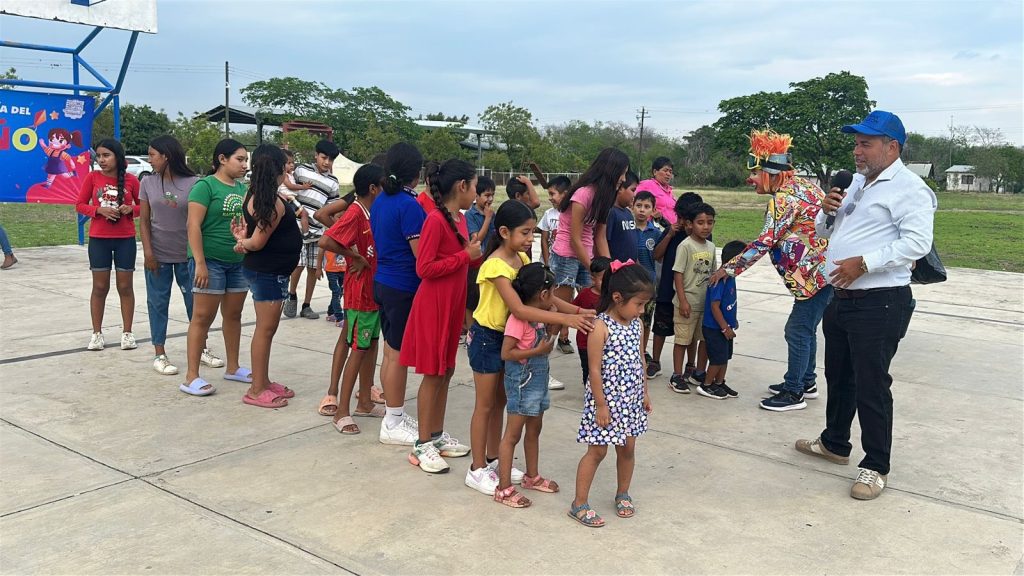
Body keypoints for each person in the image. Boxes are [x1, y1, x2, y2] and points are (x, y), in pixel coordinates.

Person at [796, 110, 934, 500]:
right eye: (856, 143)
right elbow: (826, 230)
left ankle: (876, 465)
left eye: (866, 144)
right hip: (841, 298)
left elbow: (917, 243)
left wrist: (865, 263)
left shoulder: (909, 188)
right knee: (838, 376)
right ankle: (835, 443)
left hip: (880, 302)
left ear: (892, 147)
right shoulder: (855, 182)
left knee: (871, 385)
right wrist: (826, 211)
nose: (857, 151)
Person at [466, 201, 595, 496]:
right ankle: (476, 468)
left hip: (509, 337)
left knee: (501, 402)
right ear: (504, 232)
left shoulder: (522, 259)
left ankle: (494, 459)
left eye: (531, 233)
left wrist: (578, 311)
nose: (530, 239)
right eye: (525, 233)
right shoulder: (495, 265)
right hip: (488, 339)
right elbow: (520, 310)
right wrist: (566, 320)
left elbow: (544, 298)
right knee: (485, 405)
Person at [708, 129, 833, 412]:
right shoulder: (805, 186)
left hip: (813, 277)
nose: (750, 179)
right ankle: (805, 381)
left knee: (797, 330)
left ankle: (794, 392)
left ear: (770, 173)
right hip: (822, 273)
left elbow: (765, 241)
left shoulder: (783, 199)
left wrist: (728, 269)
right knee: (806, 329)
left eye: (754, 173)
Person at [402, 159, 479, 473]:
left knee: (446, 370)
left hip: (452, 304)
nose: (476, 194)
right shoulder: (435, 219)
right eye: (474, 187)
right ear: (462, 186)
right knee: (433, 374)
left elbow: (461, 259)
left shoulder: (459, 219)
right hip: (434, 304)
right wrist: (464, 256)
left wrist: (471, 255)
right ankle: (422, 444)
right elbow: (425, 268)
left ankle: (435, 435)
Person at [569, 261, 654, 527]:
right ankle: (579, 503)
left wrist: (645, 392)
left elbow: (640, 359)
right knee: (597, 451)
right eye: (638, 304)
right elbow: (594, 370)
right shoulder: (599, 326)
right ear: (617, 298)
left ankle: (623, 493)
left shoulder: (637, 325)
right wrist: (601, 405)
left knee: (628, 448)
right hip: (606, 401)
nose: (641, 310)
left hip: (631, 399)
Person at [140, 135, 224, 375]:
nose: (149, 159)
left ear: (166, 156)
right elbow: (144, 221)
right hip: (158, 255)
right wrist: (148, 252)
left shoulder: (195, 183)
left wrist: (200, 258)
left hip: (188, 255)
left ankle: (202, 348)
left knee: (196, 306)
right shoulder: (147, 182)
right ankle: (160, 354)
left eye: (152, 155)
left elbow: (201, 221)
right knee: (157, 303)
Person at [231, 144, 300, 408]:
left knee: (267, 329)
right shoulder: (269, 202)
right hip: (267, 273)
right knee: (265, 330)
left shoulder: (259, 195)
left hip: (268, 271)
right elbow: (258, 241)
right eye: (286, 165)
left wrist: (243, 240)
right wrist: (243, 243)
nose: (288, 170)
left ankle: (264, 380)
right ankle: (256, 389)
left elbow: (254, 235)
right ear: (277, 169)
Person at [181, 138, 251, 396]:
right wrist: (199, 262)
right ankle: (191, 376)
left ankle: (233, 367)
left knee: (233, 316)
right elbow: (192, 225)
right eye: (239, 159)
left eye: (246, 160)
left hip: (237, 262)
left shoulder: (243, 189)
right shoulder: (205, 186)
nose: (245, 165)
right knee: (202, 317)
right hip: (210, 262)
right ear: (222, 159)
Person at [318, 163, 385, 430]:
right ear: (373, 188)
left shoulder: (371, 213)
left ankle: (365, 401)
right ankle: (342, 411)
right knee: (357, 349)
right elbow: (326, 241)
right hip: (359, 293)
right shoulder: (356, 212)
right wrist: (354, 255)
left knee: (369, 346)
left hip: (372, 290)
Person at [370, 142, 426, 445]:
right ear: (416, 174)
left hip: (383, 281)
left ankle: (395, 415)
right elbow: (421, 256)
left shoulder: (381, 200)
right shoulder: (408, 205)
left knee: (391, 353)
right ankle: (393, 420)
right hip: (402, 286)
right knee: (398, 356)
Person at [549, 148, 629, 354]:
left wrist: (610, 268)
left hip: (587, 257)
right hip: (566, 256)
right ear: (611, 171)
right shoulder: (583, 194)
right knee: (559, 309)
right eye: (622, 173)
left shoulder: (606, 197)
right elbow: (575, 239)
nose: (624, 178)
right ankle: (544, 352)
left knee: (596, 304)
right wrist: (595, 269)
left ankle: (594, 353)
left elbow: (599, 236)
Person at [494, 263, 559, 507]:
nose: (554, 298)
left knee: (534, 429)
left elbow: (550, 337)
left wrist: (555, 318)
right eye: (552, 293)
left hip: (538, 382)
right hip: (523, 381)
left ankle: (532, 476)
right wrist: (535, 351)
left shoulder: (540, 317)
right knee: (512, 435)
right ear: (543, 294)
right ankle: (504, 489)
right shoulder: (518, 320)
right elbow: (506, 353)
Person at [75, 138, 141, 352]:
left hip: (125, 240)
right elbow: (79, 205)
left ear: (117, 157)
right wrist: (98, 210)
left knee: (125, 287)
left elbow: (145, 207)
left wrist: (131, 209)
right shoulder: (92, 177)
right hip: (99, 240)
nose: (101, 160)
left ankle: (127, 333)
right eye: (99, 156)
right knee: (100, 287)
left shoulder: (132, 180)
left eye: (106, 155)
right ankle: (96, 334)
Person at [648, 193, 704, 379]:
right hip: (667, 290)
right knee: (660, 327)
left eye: (688, 220)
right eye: (680, 218)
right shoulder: (671, 231)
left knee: (690, 332)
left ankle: (690, 364)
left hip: (690, 293)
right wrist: (670, 234)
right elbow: (657, 255)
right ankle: (655, 361)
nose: (683, 224)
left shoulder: (702, 237)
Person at [287, 140, 341, 320]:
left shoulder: (333, 182)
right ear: (316, 155)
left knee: (312, 267)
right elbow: (288, 188)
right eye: (324, 157)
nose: (327, 162)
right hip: (297, 226)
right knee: (299, 263)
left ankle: (306, 305)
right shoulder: (301, 170)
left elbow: (332, 207)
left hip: (317, 230)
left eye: (330, 159)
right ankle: (291, 295)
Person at [671, 202, 717, 396]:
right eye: (700, 222)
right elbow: (678, 274)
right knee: (682, 340)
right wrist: (683, 301)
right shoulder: (685, 246)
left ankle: (698, 372)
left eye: (710, 222)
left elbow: (713, 274)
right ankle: (677, 375)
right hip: (687, 303)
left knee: (704, 339)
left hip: (704, 304)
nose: (706, 227)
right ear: (689, 224)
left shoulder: (711, 246)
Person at [701, 240, 746, 399]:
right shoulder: (718, 280)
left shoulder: (730, 276)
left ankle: (719, 382)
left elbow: (729, 303)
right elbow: (715, 307)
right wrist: (725, 328)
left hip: (726, 326)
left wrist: (732, 321)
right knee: (717, 359)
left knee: (725, 356)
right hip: (715, 328)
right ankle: (707, 385)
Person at [538, 175, 571, 355]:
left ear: (565, 194)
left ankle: (563, 336)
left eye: (553, 193)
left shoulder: (572, 214)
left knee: (564, 302)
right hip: (549, 266)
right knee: (547, 301)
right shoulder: (548, 214)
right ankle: (544, 335)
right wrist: (547, 262)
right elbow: (544, 239)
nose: (550, 197)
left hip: (565, 266)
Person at [464, 176, 496, 341]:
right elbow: (476, 239)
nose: (490, 199)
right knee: (472, 301)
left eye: (492, 195)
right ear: (476, 196)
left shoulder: (492, 214)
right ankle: (471, 334)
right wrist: (488, 219)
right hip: (476, 264)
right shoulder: (471, 215)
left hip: (489, 262)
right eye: (486, 195)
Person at [572, 257, 611, 387]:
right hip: (585, 342)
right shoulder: (585, 294)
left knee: (604, 368)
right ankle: (589, 391)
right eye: (603, 279)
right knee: (588, 369)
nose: (607, 283)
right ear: (593, 279)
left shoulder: (613, 296)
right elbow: (571, 310)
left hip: (606, 342)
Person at [633, 190, 661, 357]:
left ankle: (641, 351)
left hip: (649, 284)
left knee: (646, 320)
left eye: (646, 206)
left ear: (653, 210)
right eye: (638, 205)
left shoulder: (656, 233)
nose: (642, 210)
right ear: (632, 206)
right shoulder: (627, 228)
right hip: (629, 283)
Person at [606, 171, 640, 263]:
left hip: (630, 268)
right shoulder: (611, 212)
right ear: (620, 188)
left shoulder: (629, 213)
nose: (634, 195)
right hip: (616, 268)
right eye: (633, 190)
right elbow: (604, 242)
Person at [635, 156, 677, 226]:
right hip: (653, 228)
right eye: (665, 170)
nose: (668, 174)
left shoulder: (670, 191)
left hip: (671, 229)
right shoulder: (647, 184)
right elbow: (632, 200)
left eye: (670, 171)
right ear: (655, 172)